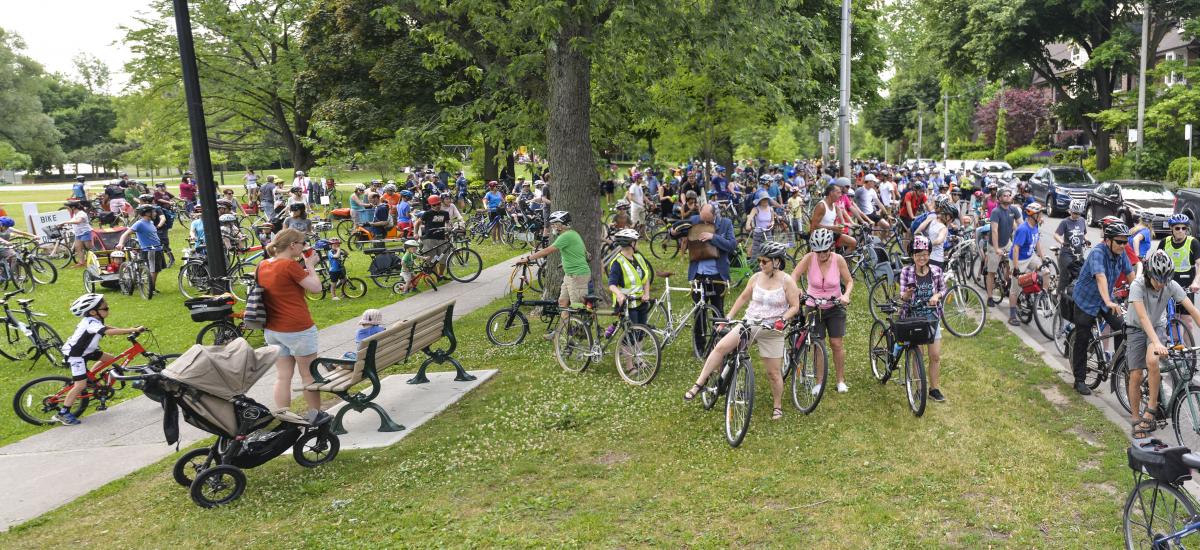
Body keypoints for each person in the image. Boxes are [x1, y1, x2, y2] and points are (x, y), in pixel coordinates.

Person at [685, 241, 799, 420]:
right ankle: (699, 384)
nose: (760, 264)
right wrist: (728, 317)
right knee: (721, 347)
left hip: (771, 329)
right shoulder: (756, 278)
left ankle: (777, 406)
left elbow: (795, 306)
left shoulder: (787, 281)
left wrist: (782, 320)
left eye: (764, 261)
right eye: (759, 261)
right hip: (750, 323)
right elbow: (744, 297)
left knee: (774, 373)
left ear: (777, 261)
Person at [1126, 250, 1200, 439]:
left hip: (1157, 325)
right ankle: (1135, 419)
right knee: (1135, 374)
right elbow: (1142, 318)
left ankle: (1151, 408)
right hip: (1136, 327)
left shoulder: (1170, 284)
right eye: (1157, 279)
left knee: (1152, 361)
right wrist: (1157, 342)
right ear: (1149, 274)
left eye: (1165, 280)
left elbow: (1192, 310)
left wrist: (1157, 341)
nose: (1161, 284)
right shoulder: (1137, 285)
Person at [258, 228, 326, 422]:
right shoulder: (289, 265)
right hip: (298, 328)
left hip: (273, 328)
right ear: (292, 245)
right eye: (302, 243)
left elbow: (283, 284)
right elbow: (316, 288)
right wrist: (310, 265)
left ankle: (284, 417)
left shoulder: (263, 265)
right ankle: (315, 417)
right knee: (308, 375)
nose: (304, 247)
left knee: (283, 376)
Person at [54, 294, 146, 425]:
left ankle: (90, 379)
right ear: (93, 311)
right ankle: (63, 413)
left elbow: (107, 328)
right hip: (77, 355)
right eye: (105, 308)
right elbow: (108, 332)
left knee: (110, 359)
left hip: (87, 351)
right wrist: (133, 329)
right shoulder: (91, 323)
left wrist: (130, 330)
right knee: (80, 385)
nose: (108, 310)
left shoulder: (94, 320)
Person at [1070, 220, 1135, 395]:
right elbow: (1101, 277)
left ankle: (1120, 368)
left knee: (1123, 327)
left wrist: (1138, 299)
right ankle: (1079, 379)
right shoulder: (1098, 252)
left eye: (1125, 241)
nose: (1123, 245)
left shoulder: (1121, 254)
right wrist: (1107, 301)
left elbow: (1131, 275)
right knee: (1083, 338)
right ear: (1108, 240)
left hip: (1107, 299)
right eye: (1119, 241)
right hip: (1086, 300)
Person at [791, 228, 853, 393]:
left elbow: (849, 281)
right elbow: (794, 276)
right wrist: (797, 290)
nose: (821, 255)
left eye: (824, 251)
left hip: (835, 305)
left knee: (836, 343)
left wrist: (846, 295)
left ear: (831, 247)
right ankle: (819, 382)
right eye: (817, 252)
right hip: (813, 305)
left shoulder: (838, 260)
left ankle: (840, 380)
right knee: (818, 344)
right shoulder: (809, 259)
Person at [517, 211, 590, 336]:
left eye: (553, 224)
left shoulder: (565, 236)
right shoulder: (573, 234)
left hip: (577, 275)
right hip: (570, 274)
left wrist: (528, 258)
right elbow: (585, 253)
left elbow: (548, 250)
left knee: (576, 306)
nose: (552, 227)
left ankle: (581, 333)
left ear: (560, 225)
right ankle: (561, 332)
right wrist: (567, 262)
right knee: (563, 302)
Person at [899, 236, 947, 402]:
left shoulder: (936, 271)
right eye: (918, 254)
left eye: (925, 254)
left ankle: (934, 389)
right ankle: (919, 388)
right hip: (914, 317)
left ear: (929, 254)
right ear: (912, 255)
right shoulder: (906, 272)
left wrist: (936, 295)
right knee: (917, 353)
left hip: (932, 317)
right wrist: (907, 295)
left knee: (935, 356)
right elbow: (902, 297)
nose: (921, 257)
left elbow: (943, 289)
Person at [681, 202, 737, 315]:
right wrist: (672, 232)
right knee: (698, 311)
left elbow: (731, 246)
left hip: (717, 275)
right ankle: (699, 333)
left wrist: (713, 237)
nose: (705, 223)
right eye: (703, 220)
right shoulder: (694, 220)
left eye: (708, 220)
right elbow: (678, 231)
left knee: (718, 310)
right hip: (698, 275)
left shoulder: (726, 223)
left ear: (715, 215)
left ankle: (718, 332)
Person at [1157, 214, 1200, 337]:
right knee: (1174, 319)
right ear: (1172, 229)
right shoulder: (1164, 242)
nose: (1181, 231)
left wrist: (1196, 282)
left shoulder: (1193, 243)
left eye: (1184, 228)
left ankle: (1189, 352)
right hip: (1168, 284)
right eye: (1177, 228)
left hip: (1187, 285)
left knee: (1188, 321)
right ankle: (1178, 350)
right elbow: (1156, 262)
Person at [1006, 202, 1046, 325]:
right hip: (1018, 259)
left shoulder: (1035, 226)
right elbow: (1016, 248)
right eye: (1040, 214)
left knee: (1046, 272)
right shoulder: (1023, 229)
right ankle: (1012, 316)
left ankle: (1043, 295)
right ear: (1033, 215)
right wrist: (1016, 268)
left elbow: (1037, 242)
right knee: (1015, 289)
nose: (1042, 216)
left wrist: (1043, 258)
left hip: (1030, 257)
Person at [117, 205, 166, 293]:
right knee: (153, 270)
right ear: (147, 213)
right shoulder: (139, 223)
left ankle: (152, 287)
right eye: (153, 212)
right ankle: (151, 289)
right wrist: (121, 243)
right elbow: (126, 234)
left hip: (157, 248)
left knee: (156, 270)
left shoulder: (150, 223)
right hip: (150, 250)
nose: (155, 214)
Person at [986, 188, 1022, 307]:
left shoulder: (1013, 209)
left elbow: (1021, 226)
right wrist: (996, 249)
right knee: (991, 272)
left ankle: (1007, 284)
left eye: (1009, 195)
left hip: (1007, 243)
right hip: (994, 244)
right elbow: (994, 231)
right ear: (1000, 198)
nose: (1008, 197)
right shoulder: (996, 212)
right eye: (1005, 195)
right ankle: (990, 297)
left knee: (1012, 266)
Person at [808, 182, 856, 251]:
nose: (840, 195)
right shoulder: (821, 206)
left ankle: (842, 260)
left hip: (830, 234)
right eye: (838, 193)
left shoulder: (834, 205)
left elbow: (842, 212)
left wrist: (848, 224)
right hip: (820, 237)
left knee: (853, 242)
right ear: (831, 193)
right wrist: (832, 228)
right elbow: (814, 225)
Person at [1055, 199, 1089, 294]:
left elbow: (1083, 233)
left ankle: (1074, 294)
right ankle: (1059, 295)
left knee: (1080, 274)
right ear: (1070, 210)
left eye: (1078, 213)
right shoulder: (1065, 222)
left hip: (1078, 253)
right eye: (1074, 213)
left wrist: (1086, 240)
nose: (1076, 215)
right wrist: (1062, 242)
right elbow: (1056, 235)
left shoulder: (1082, 221)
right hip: (1067, 253)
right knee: (1065, 276)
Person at [414, 195, 450, 261]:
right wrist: (415, 233)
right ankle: (433, 271)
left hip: (441, 238)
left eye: (438, 204)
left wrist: (449, 228)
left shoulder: (445, 213)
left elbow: (448, 223)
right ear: (431, 205)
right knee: (431, 261)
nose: (437, 206)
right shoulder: (427, 213)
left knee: (444, 260)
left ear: (441, 203)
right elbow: (417, 223)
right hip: (429, 239)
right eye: (434, 205)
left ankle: (440, 272)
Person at [63, 200, 93, 268]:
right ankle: (81, 262)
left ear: (73, 207)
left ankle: (96, 260)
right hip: (78, 234)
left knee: (90, 248)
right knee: (78, 248)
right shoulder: (74, 214)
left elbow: (78, 221)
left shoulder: (81, 213)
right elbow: (73, 221)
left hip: (86, 232)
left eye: (67, 208)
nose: (67, 210)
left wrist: (66, 222)